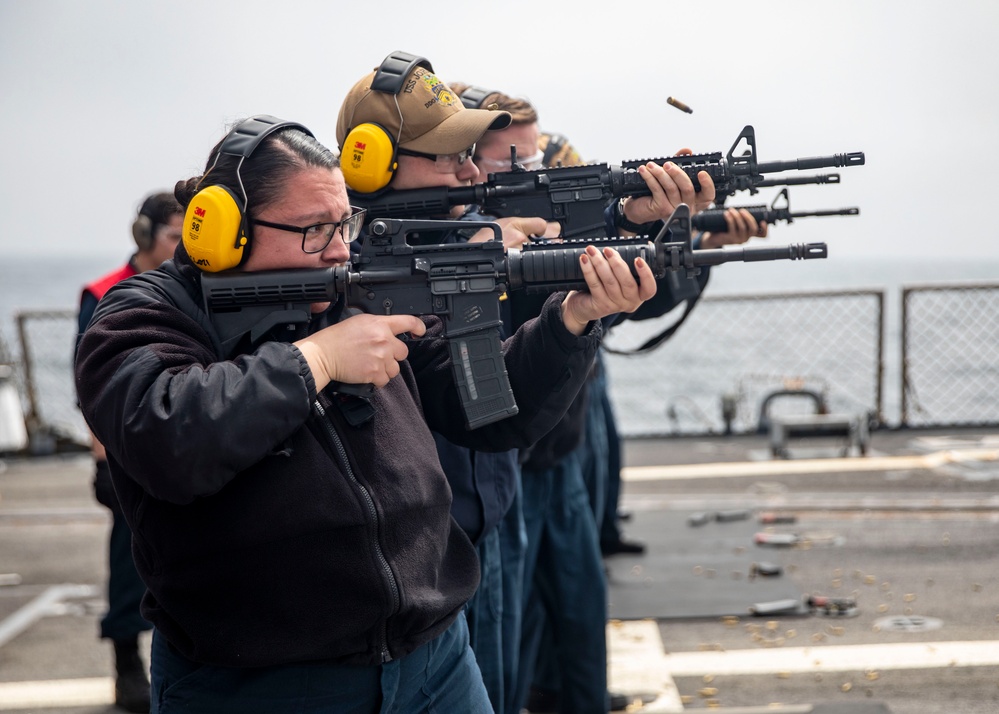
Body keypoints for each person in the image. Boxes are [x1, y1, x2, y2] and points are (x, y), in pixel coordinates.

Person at [75, 112, 656, 713]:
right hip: (263, 686)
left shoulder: (349, 293)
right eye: (313, 230)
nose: (339, 248)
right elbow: (168, 435)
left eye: (343, 222)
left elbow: (489, 411)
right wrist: (316, 360)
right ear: (225, 228)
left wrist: (571, 320)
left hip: (434, 660)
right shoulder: (145, 314)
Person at [454, 85, 769, 714]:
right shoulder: (464, 239)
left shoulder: (519, 224)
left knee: (575, 606)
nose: (533, 172)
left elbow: (631, 304)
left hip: (552, 450)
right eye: (512, 161)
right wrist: (497, 252)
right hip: (508, 461)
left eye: (535, 160)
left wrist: (663, 236)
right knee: (505, 643)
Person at [335, 53, 569, 714]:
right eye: (447, 158)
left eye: (469, 155)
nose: (469, 172)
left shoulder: (456, 240)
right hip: (424, 557)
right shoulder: (345, 280)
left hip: (485, 511)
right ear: (368, 161)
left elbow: (494, 397)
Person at [75, 191, 183, 713]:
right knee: (127, 558)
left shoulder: (190, 287)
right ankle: (124, 659)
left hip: (173, 442)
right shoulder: (104, 294)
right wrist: (102, 462)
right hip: (122, 449)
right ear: (145, 236)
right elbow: (92, 388)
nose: (183, 245)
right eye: (173, 235)